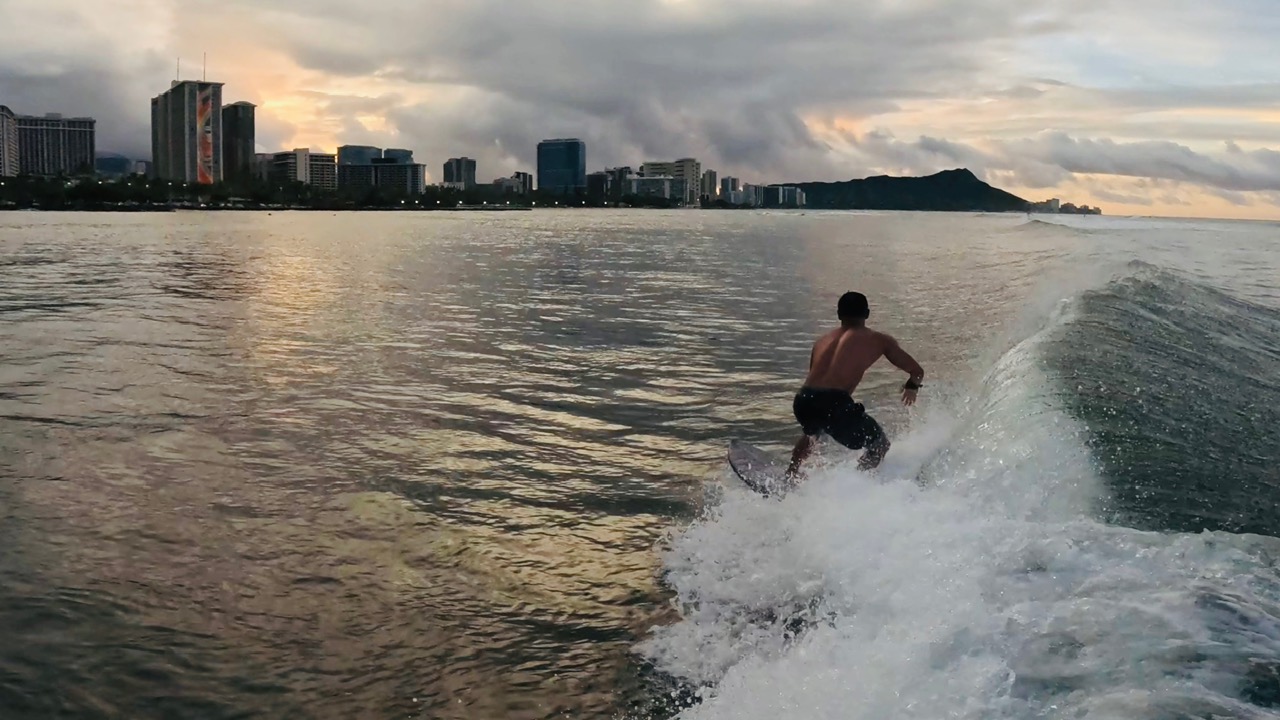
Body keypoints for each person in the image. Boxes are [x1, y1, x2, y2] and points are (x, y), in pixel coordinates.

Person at [786, 291, 924, 478]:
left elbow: (816, 383)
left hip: (803, 400)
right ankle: (855, 483)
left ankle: (791, 474)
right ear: (867, 313)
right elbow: (917, 371)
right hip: (833, 401)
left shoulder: (822, 341)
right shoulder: (879, 340)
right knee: (880, 445)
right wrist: (912, 386)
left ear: (839, 314)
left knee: (813, 431)